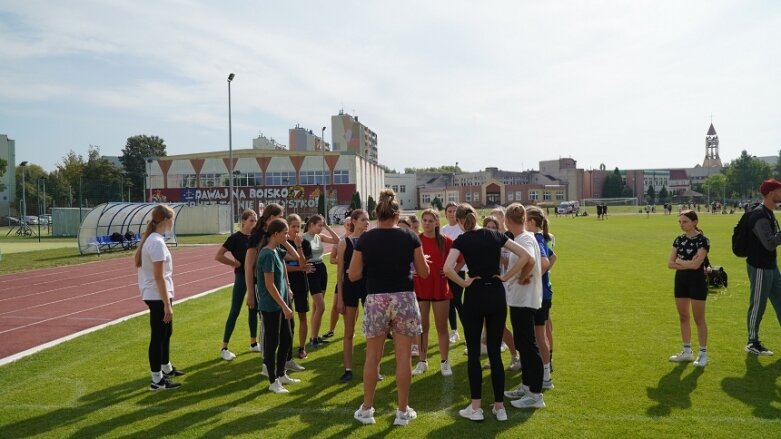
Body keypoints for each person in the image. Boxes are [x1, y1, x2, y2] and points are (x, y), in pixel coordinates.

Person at [444, 203, 532, 422]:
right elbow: (524, 256)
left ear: (462, 221)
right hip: (495, 295)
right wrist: (506, 276)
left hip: (474, 295)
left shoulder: (462, 239)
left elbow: (446, 269)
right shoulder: (494, 234)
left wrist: (464, 283)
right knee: (494, 352)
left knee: (474, 353)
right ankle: (499, 407)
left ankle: (475, 407)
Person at [349, 189, 430, 426]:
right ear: (397, 214)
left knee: (373, 357)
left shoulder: (366, 238)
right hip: (404, 297)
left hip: (376, 298)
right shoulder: (410, 237)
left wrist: (374, 268)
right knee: (403, 358)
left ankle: (366, 409)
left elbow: (353, 274)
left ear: (378, 214)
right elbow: (424, 272)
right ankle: (402, 411)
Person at [501, 203, 546, 409]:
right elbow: (527, 261)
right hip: (519, 299)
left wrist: (508, 277)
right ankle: (527, 386)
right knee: (523, 343)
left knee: (528, 345)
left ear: (507, 221)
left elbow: (528, 259)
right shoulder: (520, 238)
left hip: (525, 300)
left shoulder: (525, 238)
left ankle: (535, 394)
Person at [135, 204, 184, 390]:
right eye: (171, 219)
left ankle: (166, 367)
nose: (172, 222)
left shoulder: (155, 239)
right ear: (165, 220)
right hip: (156, 295)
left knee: (166, 332)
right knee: (158, 335)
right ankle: (156, 380)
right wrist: (166, 304)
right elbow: (158, 276)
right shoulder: (156, 242)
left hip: (158, 294)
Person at [256, 218, 302, 393]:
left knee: (287, 338)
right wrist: (284, 306)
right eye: (284, 233)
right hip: (271, 306)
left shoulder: (276, 251)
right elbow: (269, 285)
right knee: (272, 342)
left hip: (281, 304)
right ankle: (273, 381)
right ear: (275, 234)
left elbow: (296, 257)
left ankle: (281, 373)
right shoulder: (267, 254)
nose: (287, 235)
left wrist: (288, 240)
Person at [412, 208, 454, 377]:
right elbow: (409, 261)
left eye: (431, 220)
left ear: (437, 222)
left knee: (442, 326)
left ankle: (444, 362)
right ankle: (422, 361)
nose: (427, 223)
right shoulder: (416, 240)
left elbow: (460, 258)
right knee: (422, 327)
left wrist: (451, 270)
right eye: (425, 220)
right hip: (421, 286)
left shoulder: (446, 241)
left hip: (440, 288)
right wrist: (412, 270)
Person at [215, 209, 260, 361]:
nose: (254, 223)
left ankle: (254, 343)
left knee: (254, 309)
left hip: (255, 277)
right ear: (243, 222)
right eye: (251, 220)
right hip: (241, 276)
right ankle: (224, 347)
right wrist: (234, 263)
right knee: (235, 310)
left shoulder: (257, 237)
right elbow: (219, 255)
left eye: (255, 220)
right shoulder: (235, 238)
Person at [667, 210, 710, 367]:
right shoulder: (678, 240)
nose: (682, 224)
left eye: (685, 221)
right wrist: (688, 264)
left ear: (694, 222)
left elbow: (697, 265)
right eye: (680, 222)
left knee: (699, 319)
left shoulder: (703, 241)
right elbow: (670, 264)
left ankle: (703, 354)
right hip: (681, 281)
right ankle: (687, 352)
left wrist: (681, 262)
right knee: (683, 317)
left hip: (697, 281)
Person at [744, 179, 781, 355]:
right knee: (758, 305)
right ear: (771, 193)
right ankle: (752, 342)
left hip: (772, 267)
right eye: (780, 191)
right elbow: (769, 243)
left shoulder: (769, 213)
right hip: (759, 267)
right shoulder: (759, 215)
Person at [336, 210, 370, 383]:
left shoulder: (371, 240)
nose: (367, 223)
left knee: (373, 331)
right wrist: (340, 297)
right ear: (354, 221)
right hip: (350, 288)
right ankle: (348, 369)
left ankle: (373, 369)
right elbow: (340, 272)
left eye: (368, 220)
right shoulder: (344, 242)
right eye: (363, 220)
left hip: (368, 287)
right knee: (349, 331)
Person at [526, 207, 556, 387]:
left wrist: (531, 276)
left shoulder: (536, 240)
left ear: (531, 222)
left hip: (539, 294)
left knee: (538, 335)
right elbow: (554, 257)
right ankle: (545, 371)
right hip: (542, 293)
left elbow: (547, 261)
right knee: (540, 333)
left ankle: (544, 374)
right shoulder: (538, 238)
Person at [303, 215, 340, 348]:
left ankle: (314, 336)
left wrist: (327, 227)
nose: (321, 228)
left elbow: (337, 240)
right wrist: (303, 268)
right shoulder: (303, 238)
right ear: (311, 225)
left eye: (322, 225)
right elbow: (298, 256)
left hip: (321, 269)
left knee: (316, 307)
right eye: (319, 225)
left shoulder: (320, 237)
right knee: (321, 306)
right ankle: (313, 339)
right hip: (311, 270)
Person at [285, 214, 314, 360]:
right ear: (288, 227)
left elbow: (303, 263)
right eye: (293, 226)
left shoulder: (305, 244)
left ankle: (302, 348)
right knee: (286, 317)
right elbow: (283, 267)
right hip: (285, 283)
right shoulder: (281, 243)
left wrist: (298, 246)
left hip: (301, 283)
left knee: (302, 315)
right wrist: (300, 268)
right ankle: (286, 349)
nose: (296, 230)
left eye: (299, 226)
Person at [441, 202, 465, 344]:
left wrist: (454, 270)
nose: (452, 213)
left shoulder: (461, 228)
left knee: (457, 301)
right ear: (445, 213)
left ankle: (467, 328)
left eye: (454, 211)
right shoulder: (443, 229)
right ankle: (454, 331)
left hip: (459, 270)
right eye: (449, 211)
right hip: (446, 271)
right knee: (449, 302)